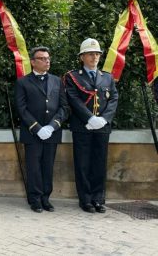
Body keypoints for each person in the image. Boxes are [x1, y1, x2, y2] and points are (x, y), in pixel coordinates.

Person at [64, 38, 118, 214]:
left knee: (99, 163)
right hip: (82, 126)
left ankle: (98, 199)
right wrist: (89, 118)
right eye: (90, 54)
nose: (94, 57)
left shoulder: (107, 77)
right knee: (83, 163)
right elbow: (73, 99)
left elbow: (114, 99)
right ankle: (85, 199)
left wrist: (104, 119)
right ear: (82, 57)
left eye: (97, 54)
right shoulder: (73, 77)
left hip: (102, 127)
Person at [15, 46, 68, 213]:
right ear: (33, 62)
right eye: (42, 58)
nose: (47, 61)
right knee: (33, 167)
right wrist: (37, 128)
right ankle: (35, 199)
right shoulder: (22, 82)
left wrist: (52, 126)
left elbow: (64, 107)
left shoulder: (57, 81)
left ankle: (46, 198)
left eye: (48, 58)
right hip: (32, 133)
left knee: (48, 166)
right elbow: (21, 108)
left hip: (52, 132)